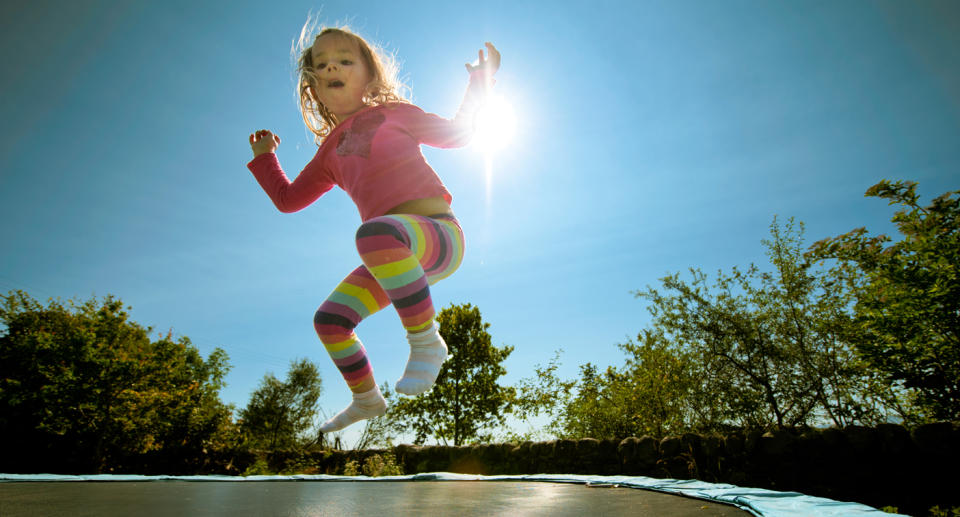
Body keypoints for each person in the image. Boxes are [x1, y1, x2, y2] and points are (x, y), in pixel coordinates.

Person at [247, 25, 500, 433]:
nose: (333, 65)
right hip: (393, 258)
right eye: (322, 64)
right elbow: (288, 200)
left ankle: (425, 341)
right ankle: (365, 398)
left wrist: (480, 81)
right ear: (313, 87)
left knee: (376, 233)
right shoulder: (328, 153)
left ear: (369, 73)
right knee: (329, 320)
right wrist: (265, 159)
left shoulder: (397, 113)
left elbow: (460, 132)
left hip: (437, 236)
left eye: (345, 59)